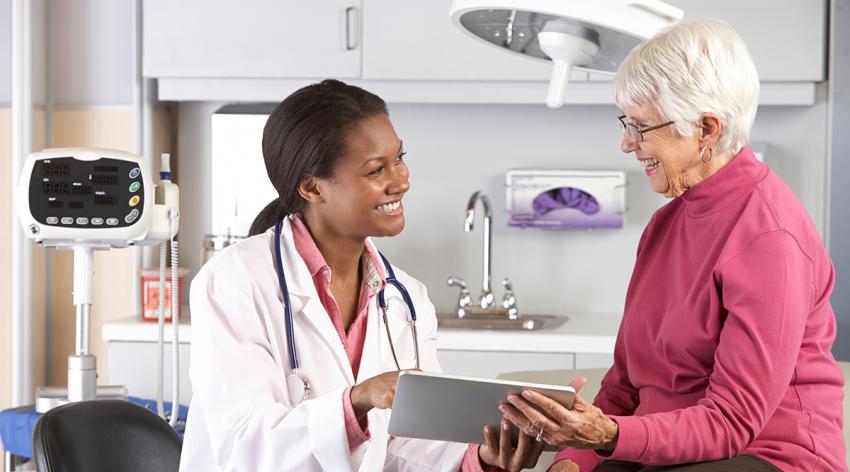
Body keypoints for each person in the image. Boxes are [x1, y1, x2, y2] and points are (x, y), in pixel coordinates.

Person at [500, 19, 846, 472]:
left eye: (641, 127)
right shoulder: (666, 224)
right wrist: (573, 460)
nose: (627, 144)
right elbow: (623, 386)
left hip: (765, 455)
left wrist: (607, 435)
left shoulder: (769, 237)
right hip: (661, 448)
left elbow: (731, 422)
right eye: (627, 123)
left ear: (705, 129)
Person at [179, 79, 544, 471]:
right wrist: (358, 401)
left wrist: (483, 458)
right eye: (376, 170)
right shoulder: (236, 280)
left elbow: (411, 447)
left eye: (400, 158)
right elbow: (245, 447)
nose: (401, 180)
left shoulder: (406, 299)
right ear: (312, 187)